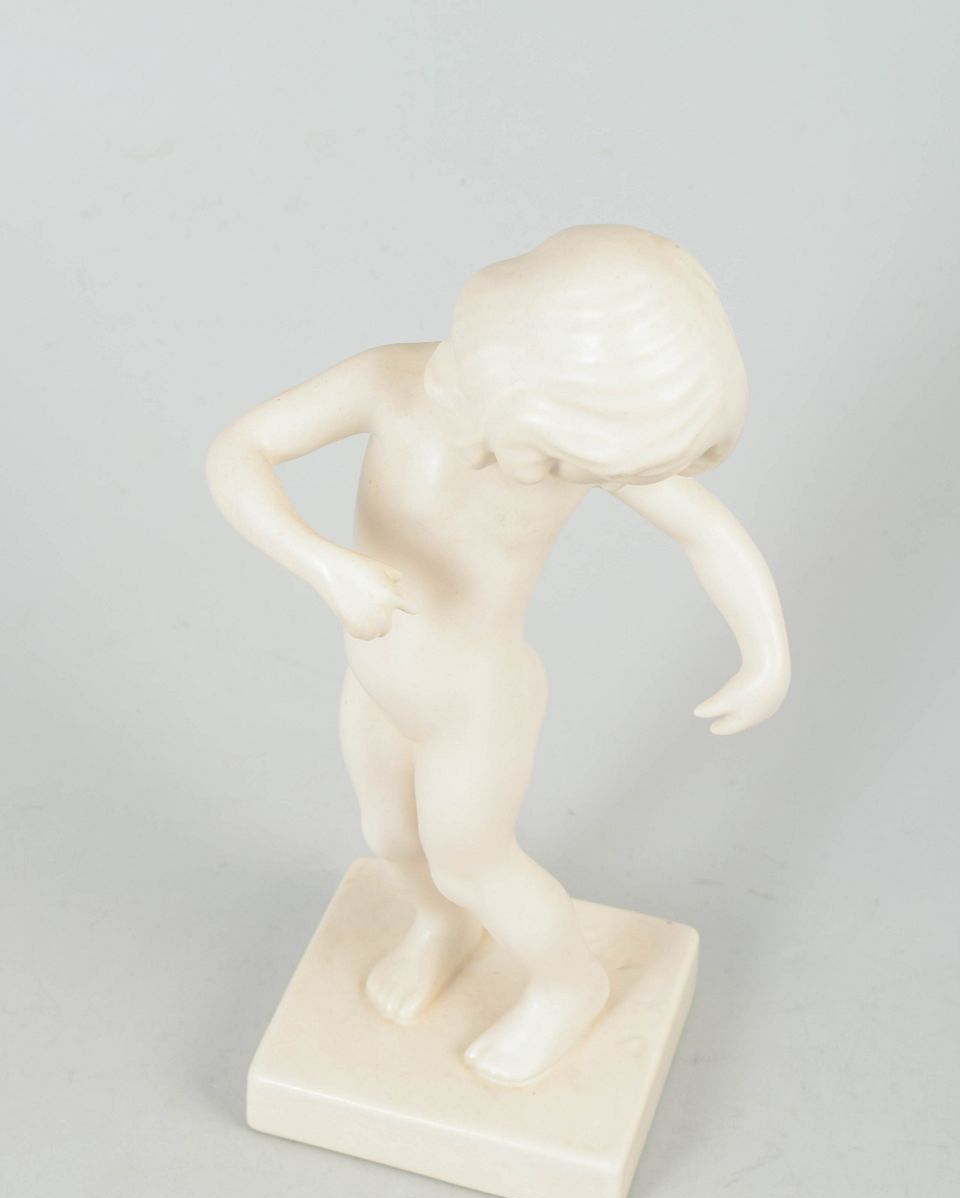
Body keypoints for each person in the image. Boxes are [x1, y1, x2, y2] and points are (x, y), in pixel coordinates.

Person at [207, 226, 790, 1085]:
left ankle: (570, 983)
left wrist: (766, 650)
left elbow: (706, 529)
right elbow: (240, 450)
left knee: (473, 863)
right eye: (554, 451)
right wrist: (321, 563)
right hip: (375, 675)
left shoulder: (569, 451)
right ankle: (439, 926)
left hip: (474, 703)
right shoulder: (387, 383)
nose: (559, 471)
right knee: (389, 836)